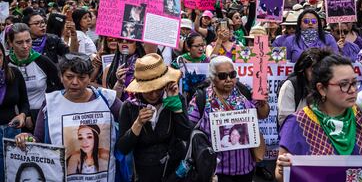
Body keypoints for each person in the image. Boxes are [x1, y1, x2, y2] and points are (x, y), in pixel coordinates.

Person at [275, 54, 362, 182]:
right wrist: (282, 168)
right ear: (322, 89)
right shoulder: (297, 123)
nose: (352, 90)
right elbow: (281, 175)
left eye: (354, 83)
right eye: (344, 84)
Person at [15, 53, 122, 182]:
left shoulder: (107, 100)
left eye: (81, 77)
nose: (75, 82)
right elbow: (38, 139)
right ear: (61, 77)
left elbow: (129, 121)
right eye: (69, 77)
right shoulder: (51, 103)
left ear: (89, 78)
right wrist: (26, 138)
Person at [188, 56, 270, 182]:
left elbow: (263, 114)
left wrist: (263, 104)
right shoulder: (202, 98)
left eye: (232, 75)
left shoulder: (245, 91)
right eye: (222, 76)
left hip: (245, 168)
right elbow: (189, 127)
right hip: (216, 171)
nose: (228, 79)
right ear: (212, 77)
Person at [116, 53, 191, 182]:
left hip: (173, 172)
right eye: (148, 90)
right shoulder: (129, 106)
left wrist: (176, 107)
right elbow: (123, 148)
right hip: (144, 173)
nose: (154, 94)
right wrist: (138, 124)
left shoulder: (174, 99)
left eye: (158, 88)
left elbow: (185, 135)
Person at [7, 23, 62, 130]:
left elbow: (59, 87)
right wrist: (24, 114)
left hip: (40, 115)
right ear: (10, 43)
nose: (25, 46)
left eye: (28, 41)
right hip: (13, 118)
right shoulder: (5, 63)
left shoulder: (43, 61)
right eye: (19, 42)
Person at [277, 48, 332, 126]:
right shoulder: (290, 85)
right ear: (303, 69)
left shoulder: (326, 85)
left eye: (319, 68)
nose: (316, 72)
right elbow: (285, 121)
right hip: (297, 135)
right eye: (312, 69)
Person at [0, 42, 30, 180]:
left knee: (13, 173)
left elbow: (24, 102)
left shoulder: (14, 74)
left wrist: (23, 115)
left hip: (11, 131)